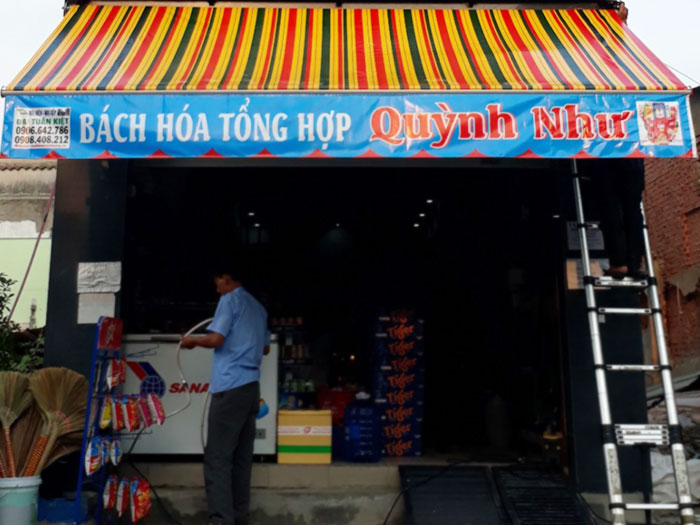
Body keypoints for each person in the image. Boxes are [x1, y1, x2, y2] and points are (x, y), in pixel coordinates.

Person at [181, 266, 270, 525]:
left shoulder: (230, 300)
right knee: (242, 460)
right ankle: (238, 517)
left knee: (218, 459)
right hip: (251, 389)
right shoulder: (259, 308)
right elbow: (265, 348)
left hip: (230, 387)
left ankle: (220, 520)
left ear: (226, 278)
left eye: (217, 283)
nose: (217, 289)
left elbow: (216, 339)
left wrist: (192, 341)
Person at [593, 158, 647, 279]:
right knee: (633, 210)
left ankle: (618, 262)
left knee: (610, 208)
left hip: (607, 157)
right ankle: (635, 264)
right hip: (633, 159)